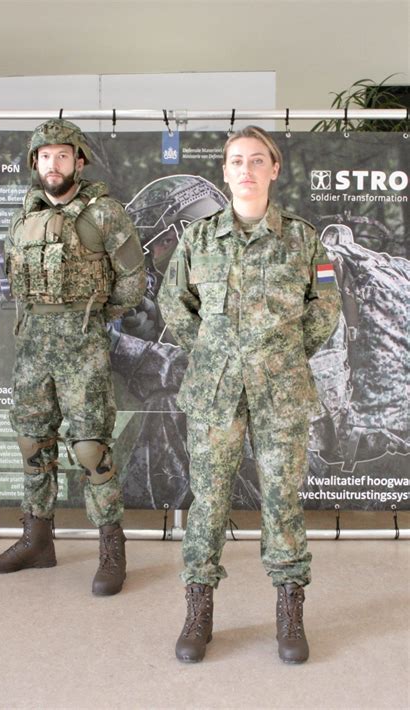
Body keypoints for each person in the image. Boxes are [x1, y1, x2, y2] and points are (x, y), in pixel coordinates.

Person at [158, 126, 341, 663]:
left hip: (281, 391)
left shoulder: (303, 240)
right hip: (215, 391)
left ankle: (289, 611)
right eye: (236, 160)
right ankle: (198, 611)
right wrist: (213, 350)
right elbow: (174, 303)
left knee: (282, 502)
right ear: (225, 170)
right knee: (209, 501)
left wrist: (284, 352)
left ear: (274, 169)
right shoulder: (199, 239)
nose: (246, 169)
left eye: (257, 160)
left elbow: (326, 305)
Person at [0, 119, 146, 596]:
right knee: (32, 442)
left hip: (82, 346)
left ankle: (111, 549)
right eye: (44, 156)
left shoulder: (104, 213)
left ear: (79, 161)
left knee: (91, 449)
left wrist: (93, 317)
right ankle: (37, 539)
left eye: (62, 155)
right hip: (33, 343)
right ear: (35, 163)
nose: (53, 164)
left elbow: (133, 281)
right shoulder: (25, 215)